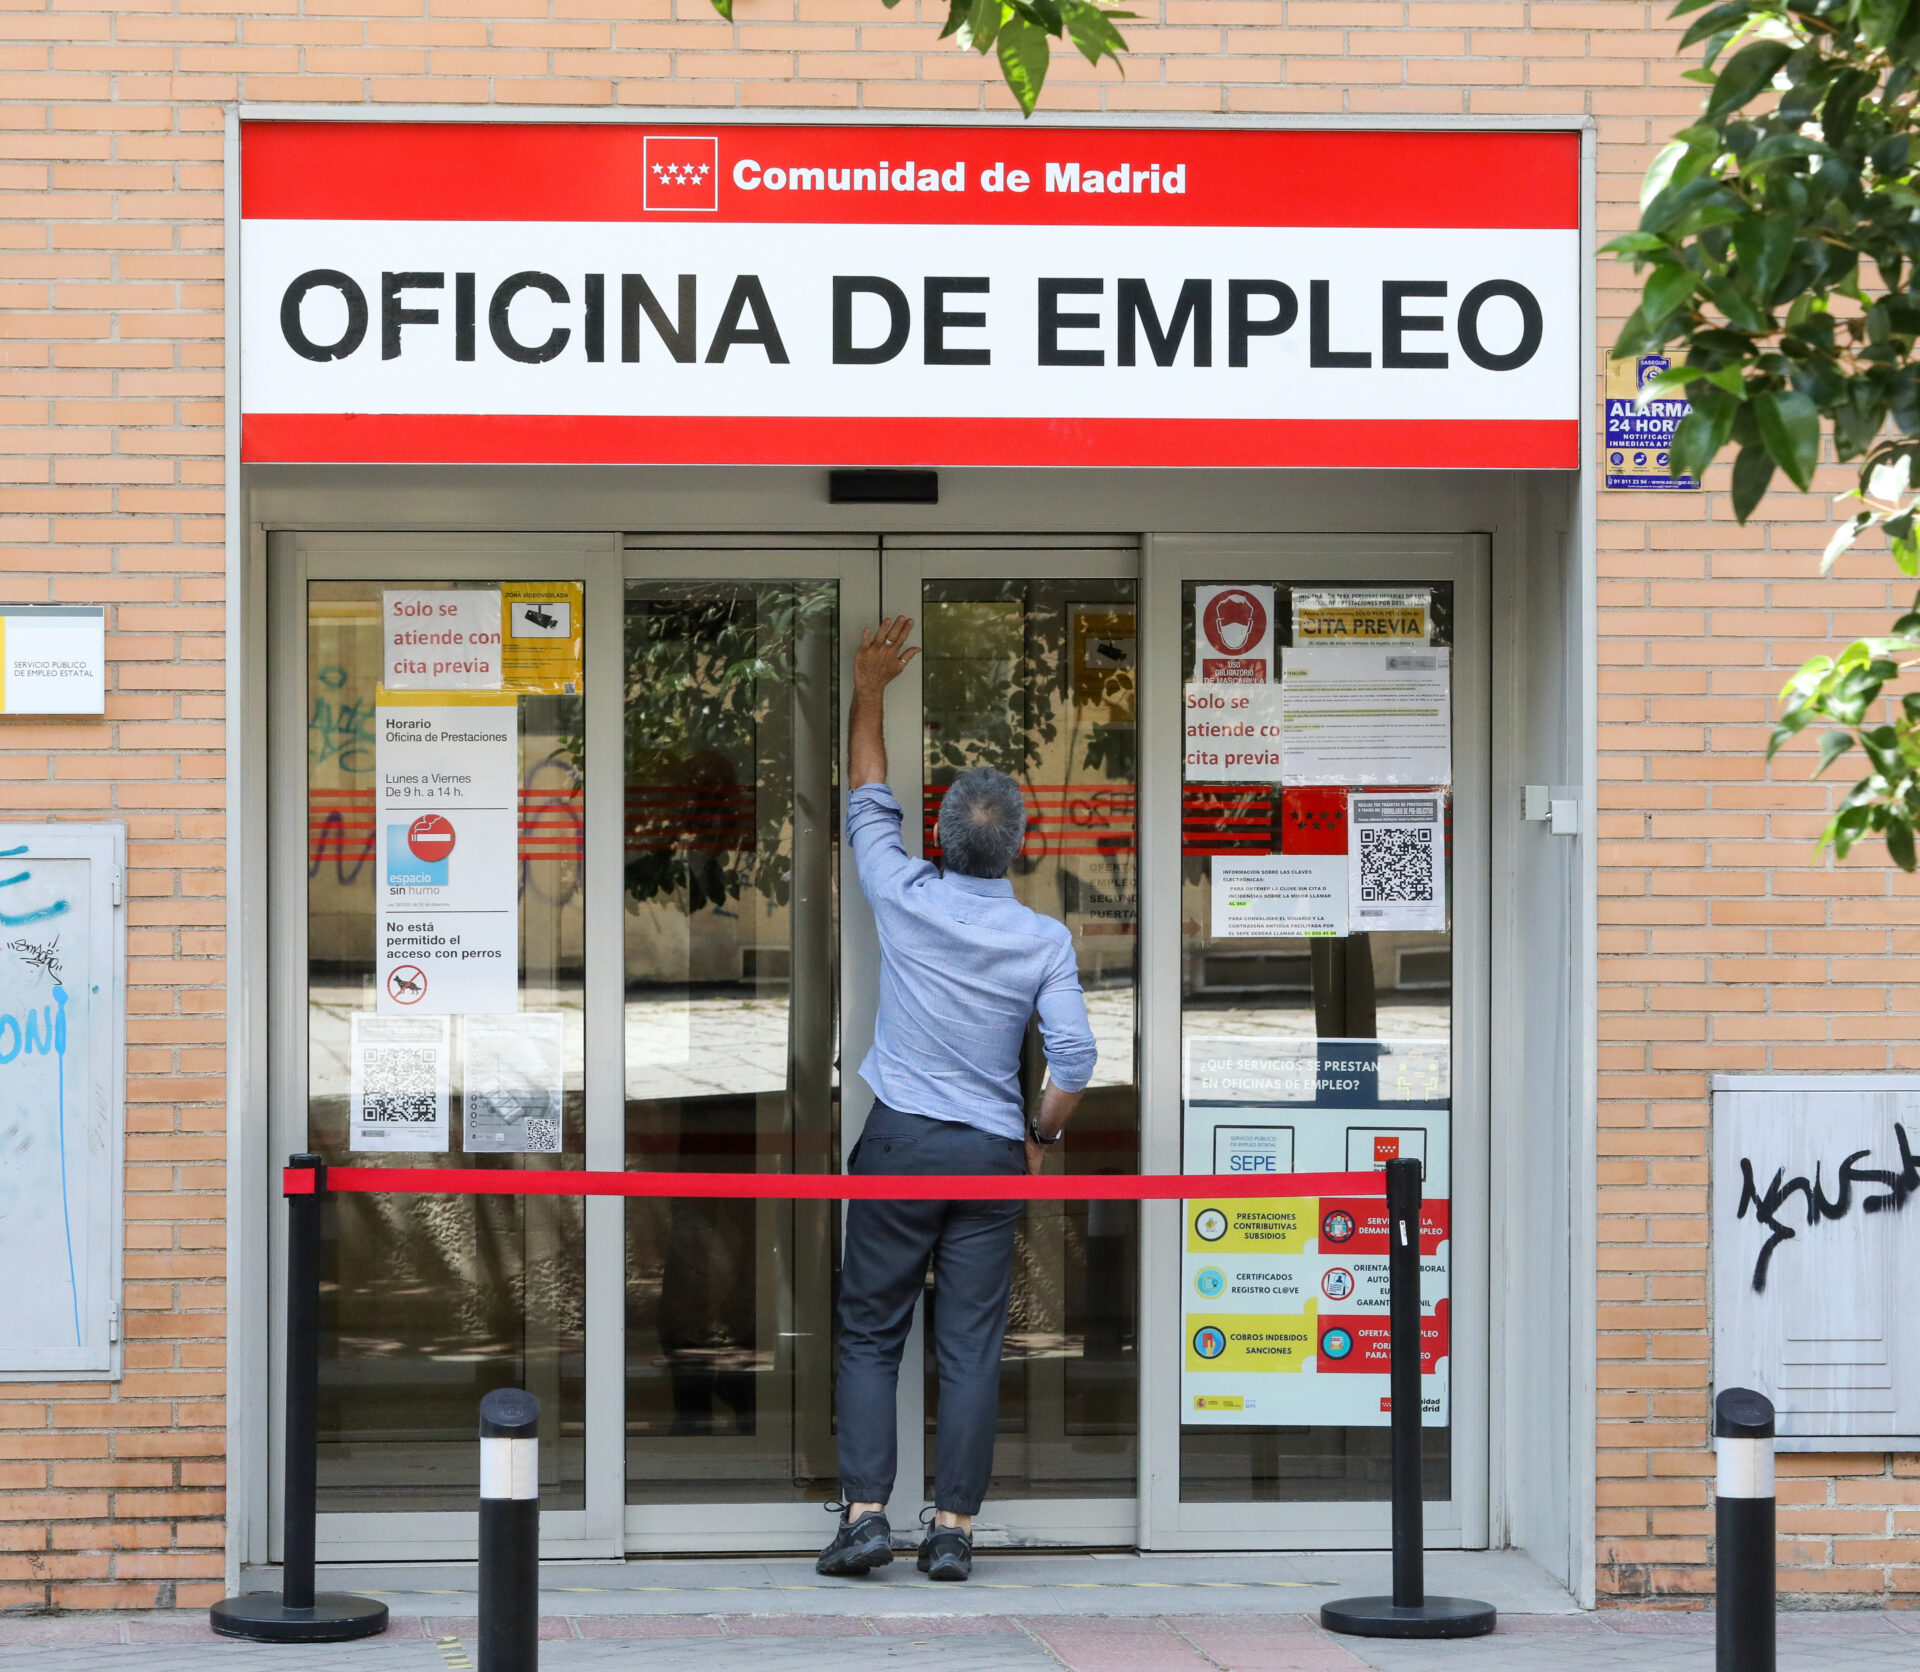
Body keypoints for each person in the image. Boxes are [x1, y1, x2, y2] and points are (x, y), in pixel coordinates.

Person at [815, 615, 1097, 1584]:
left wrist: (869, 690)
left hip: (899, 1146)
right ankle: (952, 1531)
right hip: (988, 1157)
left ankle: (865, 1517)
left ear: (938, 838)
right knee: (970, 1346)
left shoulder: (904, 891)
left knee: (869, 1331)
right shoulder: (1044, 940)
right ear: (1018, 849)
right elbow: (1075, 1056)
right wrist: (1037, 1132)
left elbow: (867, 794)